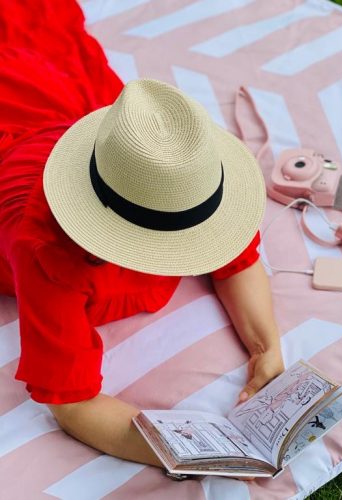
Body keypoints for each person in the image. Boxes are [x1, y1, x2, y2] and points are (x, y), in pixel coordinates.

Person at [0, 0, 284, 472]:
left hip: (65, 119)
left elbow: (239, 260)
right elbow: (73, 402)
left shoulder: (171, 171)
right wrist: (188, 455)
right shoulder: (51, 253)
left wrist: (267, 347)